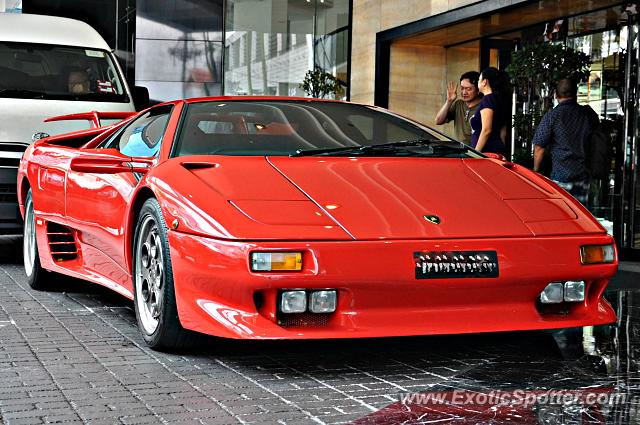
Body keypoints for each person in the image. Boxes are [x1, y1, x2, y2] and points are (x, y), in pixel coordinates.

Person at [532, 78, 599, 204]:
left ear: (556, 95)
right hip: (583, 175)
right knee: (582, 215)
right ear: (576, 94)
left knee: (561, 214)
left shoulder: (552, 116)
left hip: (560, 177)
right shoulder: (588, 114)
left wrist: (535, 171)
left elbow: (539, 147)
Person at [469, 67, 509, 155]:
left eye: (479, 79)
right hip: (495, 150)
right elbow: (503, 131)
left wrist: (475, 154)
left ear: (484, 82)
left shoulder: (487, 100)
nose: (478, 83)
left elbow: (486, 130)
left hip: (486, 153)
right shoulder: (498, 99)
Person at [434, 71, 481, 145]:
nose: (464, 92)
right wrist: (449, 101)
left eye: (468, 89)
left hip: (475, 152)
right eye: (462, 88)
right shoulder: (458, 104)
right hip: (459, 151)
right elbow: (438, 121)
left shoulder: (484, 107)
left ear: (478, 90)